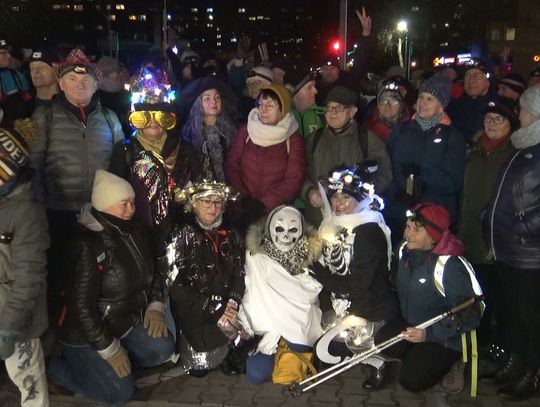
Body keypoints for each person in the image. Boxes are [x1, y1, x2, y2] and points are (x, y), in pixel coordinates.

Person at [47, 170, 174, 404]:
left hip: (123, 324)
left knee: (163, 348)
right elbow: (81, 308)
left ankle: (108, 370)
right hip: (86, 335)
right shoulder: (88, 244)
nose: (131, 209)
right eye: (123, 204)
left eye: (133, 203)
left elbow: (155, 270)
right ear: (105, 204)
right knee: (120, 394)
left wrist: (156, 304)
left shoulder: (135, 231)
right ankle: (58, 370)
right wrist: (109, 349)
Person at [30, 48, 124, 323]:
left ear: (96, 86)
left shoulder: (110, 118)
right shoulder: (44, 117)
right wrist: (38, 211)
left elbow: (118, 167)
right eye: (72, 80)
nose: (79, 85)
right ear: (61, 83)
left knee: (96, 277)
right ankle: (61, 334)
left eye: (86, 81)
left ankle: (92, 331)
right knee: (61, 276)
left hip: (98, 215)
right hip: (58, 213)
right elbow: (33, 167)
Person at [375, 203, 482, 393]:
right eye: (408, 227)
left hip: (444, 337)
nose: (409, 234)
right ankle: (416, 355)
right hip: (413, 323)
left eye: (417, 230)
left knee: (411, 381)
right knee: (383, 342)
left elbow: (471, 312)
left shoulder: (449, 267)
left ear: (433, 236)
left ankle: (455, 362)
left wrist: (429, 334)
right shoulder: (403, 251)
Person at [310, 164, 398, 389]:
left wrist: (318, 273)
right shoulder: (334, 225)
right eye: (335, 196)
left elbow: (358, 286)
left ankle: (378, 359)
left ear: (361, 200)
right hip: (343, 304)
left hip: (367, 308)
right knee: (322, 351)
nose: (338, 203)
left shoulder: (369, 232)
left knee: (329, 351)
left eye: (346, 197)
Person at [482, 85, 540, 401]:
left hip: (530, 253)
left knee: (531, 317)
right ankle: (515, 364)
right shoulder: (524, 145)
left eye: (524, 109)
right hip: (508, 249)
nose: (520, 114)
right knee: (514, 314)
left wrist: (524, 226)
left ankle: (532, 372)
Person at [109, 67, 201, 246]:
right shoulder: (124, 151)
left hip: (182, 238)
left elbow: (199, 190)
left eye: (161, 116)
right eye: (144, 116)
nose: (152, 122)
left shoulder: (186, 150)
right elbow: (115, 201)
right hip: (138, 238)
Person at [163, 180, 245, 377]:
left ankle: (229, 348)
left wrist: (232, 302)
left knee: (237, 334)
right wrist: (213, 307)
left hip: (227, 305)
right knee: (199, 366)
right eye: (207, 201)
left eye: (218, 202)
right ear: (194, 204)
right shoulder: (180, 235)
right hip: (196, 308)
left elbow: (239, 272)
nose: (213, 207)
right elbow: (176, 285)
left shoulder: (231, 234)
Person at [458, 97, 518, 352]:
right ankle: (478, 342)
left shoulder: (513, 153)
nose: (491, 123)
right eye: (488, 118)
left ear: (510, 124)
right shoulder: (473, 150)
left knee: (500, 296)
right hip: (469, 233)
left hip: (498, 237)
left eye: (499, 119)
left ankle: (502, 345)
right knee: (475, 293)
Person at [240, 205, 324, 384]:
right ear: (270, 229)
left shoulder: (311, 258)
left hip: (298, 327)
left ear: (301, 232)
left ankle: (292, 351)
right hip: (266, 330)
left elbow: (310, 291)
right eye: (279, 229)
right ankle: (281, 350)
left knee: (289, 373)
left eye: (293, 230)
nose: (286, 236)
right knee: (256, 373)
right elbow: (250, 291)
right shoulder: (256, 258)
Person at [0, 120, 49, 406]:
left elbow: (29, 277)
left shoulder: (27, 213)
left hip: (17, 319)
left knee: (30, 388)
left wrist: (10, 326)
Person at [386, 73, 465, 245]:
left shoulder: (452, 137)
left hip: (431, 221)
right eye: (421, 97)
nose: (422, 103)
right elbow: (388, 167)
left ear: (441, 104)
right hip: (399, 212)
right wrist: (396, 193)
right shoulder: (402, 130)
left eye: (430, 98)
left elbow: (453, 182)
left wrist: (423, 174)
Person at [303, 86, 392, 227]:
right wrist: (309, 192)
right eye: (329, 108)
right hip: (319, 221)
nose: (332, 113)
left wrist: (359, 196)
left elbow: (385, 174)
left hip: (356, 223)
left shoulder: (367, 140)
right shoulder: (313, 139)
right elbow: (300, 173)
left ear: (352, 111)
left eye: (338, 108)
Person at [225, 84, 305, 213]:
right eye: (261, 104)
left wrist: (263, 204)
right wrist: (243, 198)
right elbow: (232, 165)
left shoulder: (293, 139)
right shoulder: (246, 131)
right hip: (242, 209)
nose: (263, 109)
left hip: (275, 213)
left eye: (270, 105)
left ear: (282, 109)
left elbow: (294, 179)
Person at [181, 79, 237, 181]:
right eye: (207, 98)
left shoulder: (231, 130)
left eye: (217, 97)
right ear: (198, 103)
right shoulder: (188, 134)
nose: (214, 102)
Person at [315, 7, 372, 106]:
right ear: (321, 71)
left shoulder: (347, 82)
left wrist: (365, 33)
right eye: (325, 68)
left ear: (338, 69)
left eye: (333, 68)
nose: (329, 72)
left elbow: (360, 62)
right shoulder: (314, 89)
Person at [447, 60, 497, 143]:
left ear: (488, 82)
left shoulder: (498, 107)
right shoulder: (454, 107)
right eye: (467, 76)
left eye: (477, 76)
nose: (471, 80)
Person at [0, 38, 33, 125]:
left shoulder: (18, 75)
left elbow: (29, 102)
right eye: (3, 53)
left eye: (8, 52)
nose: (9, 56)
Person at [288, 70, 324, 137]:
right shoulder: (283, 118)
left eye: (314, 86)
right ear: (294, 93)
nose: (315, 91)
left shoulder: (322, 116)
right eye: (309, 88)